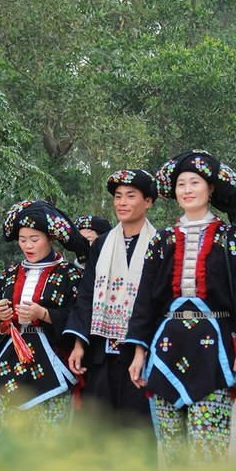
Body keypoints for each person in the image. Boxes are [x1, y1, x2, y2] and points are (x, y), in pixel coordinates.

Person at [125, 151, 236, 465]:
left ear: (210, 189)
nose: (187, 190)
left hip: (214, 354)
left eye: (194, 183)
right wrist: (138, 351)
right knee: (173, 453)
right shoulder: (162, 241)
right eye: (181, 184)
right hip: (166, 351)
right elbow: (145, 301)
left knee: (209, 451)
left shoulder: (230, 240)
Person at [0, 201, 87, 436]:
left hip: (52, 359)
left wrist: (44, 314)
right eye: (22, 240)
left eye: (34, 239)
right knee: (5, 426)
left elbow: (80, 315)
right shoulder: (9, 274)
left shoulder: (70, 274)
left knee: (49, 430)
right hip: (12, 357)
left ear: (50, 238)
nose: (27, 245)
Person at [65, 170, 157, 421]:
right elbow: (87, 294)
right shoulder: (102, 244)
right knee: (97, 428)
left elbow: (159, 300)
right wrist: (79, 344)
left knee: (136, 428)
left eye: (130, 196)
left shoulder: (159, 243)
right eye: (118, 196)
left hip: (142, 352)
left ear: (148, 201)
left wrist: (142, 347)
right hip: (102, 351)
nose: (122, 202)